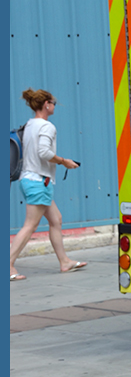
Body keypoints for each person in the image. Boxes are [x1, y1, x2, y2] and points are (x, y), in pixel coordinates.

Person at [10, 88, 85, 281]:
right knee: (30, 226)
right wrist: (64, 161)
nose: (54, 106)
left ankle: (64, 262)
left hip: (30, 180)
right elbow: (43, 152)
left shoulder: (29, 125)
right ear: (47, 104)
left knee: (56, 220)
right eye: (53, 103)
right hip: (38, 182)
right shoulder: (46, 126)